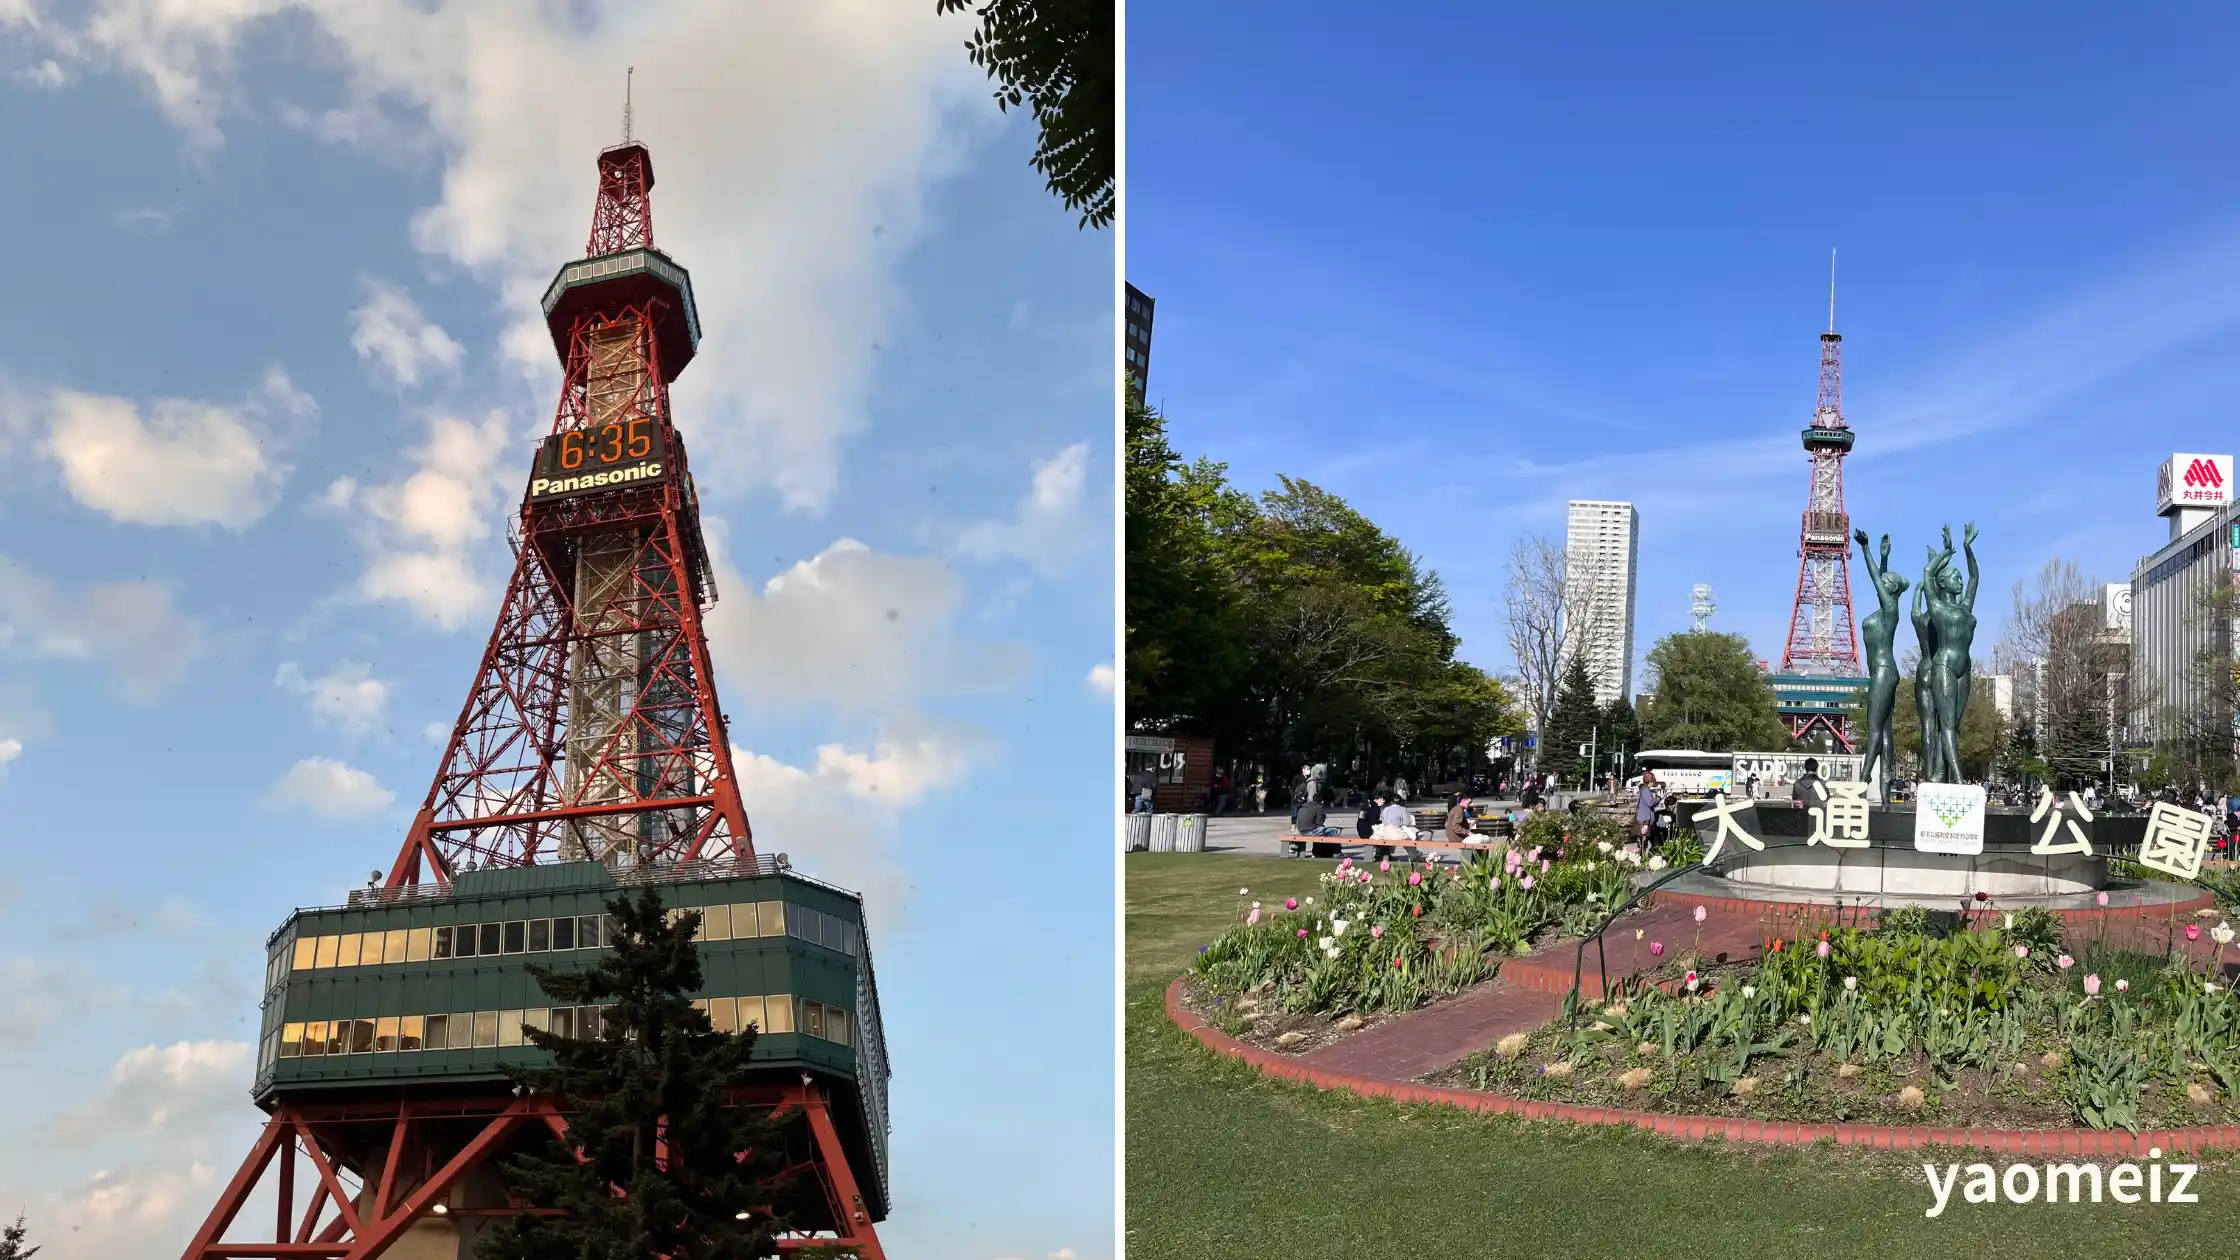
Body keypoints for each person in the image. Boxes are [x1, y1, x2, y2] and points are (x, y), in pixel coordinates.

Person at [1635, 771, 1660, 847]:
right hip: (1645, 820)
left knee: (1648, 841)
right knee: (1648, 842)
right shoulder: (1646, 790)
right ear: (1650, 781)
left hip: (1644, 819)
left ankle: (1645, 856)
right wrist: (1659, 797)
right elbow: (1651, 803)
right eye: (1653, 780)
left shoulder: (1643, 789)